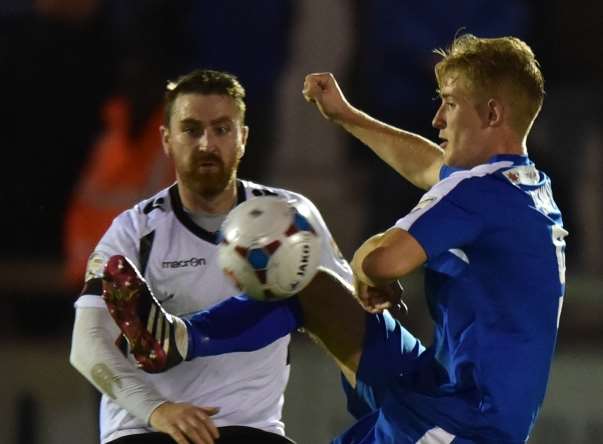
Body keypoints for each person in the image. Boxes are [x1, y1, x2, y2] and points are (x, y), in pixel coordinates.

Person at [101, 35, 567, 443]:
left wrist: (367, 266)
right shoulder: (527, 188)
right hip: (442, 386)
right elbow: (428, 165)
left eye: (449, 101)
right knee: (314, 285)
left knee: (318, 275)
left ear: (491, 112)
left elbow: (382, 262)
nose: (438, 119)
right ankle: (178, 338)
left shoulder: (475, 194)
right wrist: (346, 115)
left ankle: (185, 336)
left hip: (462, 423)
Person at [69, 69, 355, 444]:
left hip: (250, 430)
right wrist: (158, 410)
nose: (206, 143)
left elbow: (345, 314)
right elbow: (86, 345)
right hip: (147, 428)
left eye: (222, 129)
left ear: (244, 138)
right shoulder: (134, 231)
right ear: (166, 140)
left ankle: (183, 337)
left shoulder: (289, 217)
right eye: (191, 130)